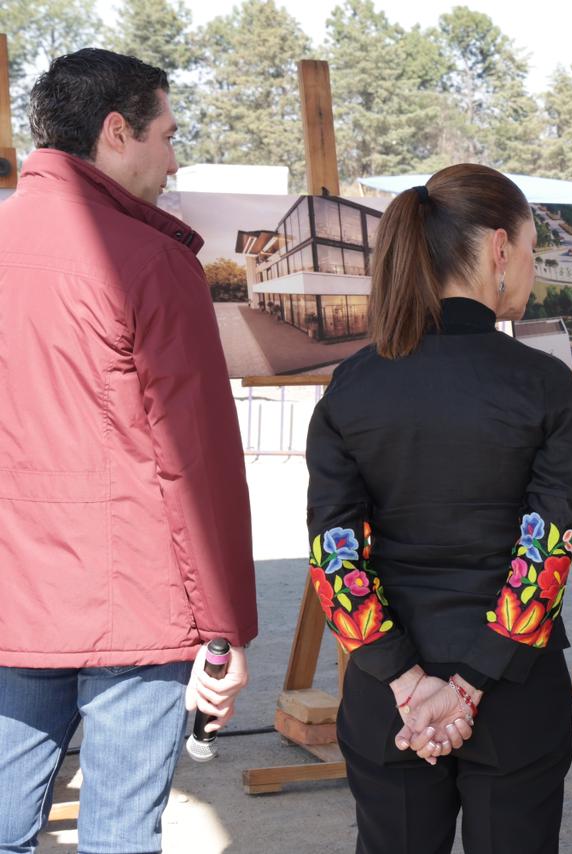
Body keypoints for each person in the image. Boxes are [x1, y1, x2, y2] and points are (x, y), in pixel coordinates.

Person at [0, 49, 255, 853]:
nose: (174, 161)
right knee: (118, 835)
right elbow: (196, 461)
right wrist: (225, 628)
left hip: (15, 596)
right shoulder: (149, 261)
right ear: (117, 131)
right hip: (134, 601)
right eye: (167, 135)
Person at [305, 164, 572, 853]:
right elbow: (546, 551)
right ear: (499, 248)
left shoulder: (352, 385)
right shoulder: (543, 384)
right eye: (531, 249)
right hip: (514, 691)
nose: (531, 266)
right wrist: (470, 685)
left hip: (387, 698)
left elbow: (333, 557)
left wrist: (407, 682)